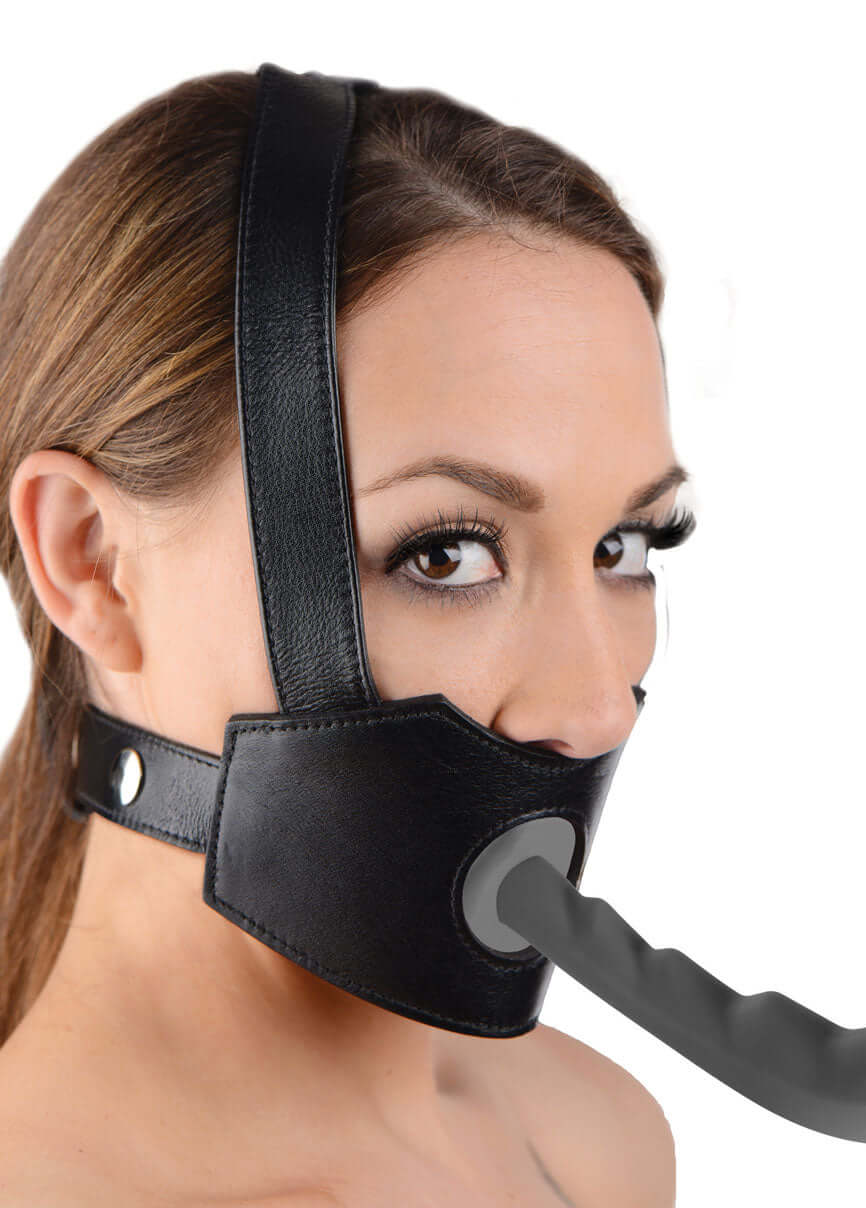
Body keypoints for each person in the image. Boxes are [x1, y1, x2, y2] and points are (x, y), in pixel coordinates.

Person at [0, 69, 685, 1205]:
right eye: (446, 553)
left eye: (624, 545)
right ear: (91, 561)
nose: (597, 707)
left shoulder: (601, 1136)